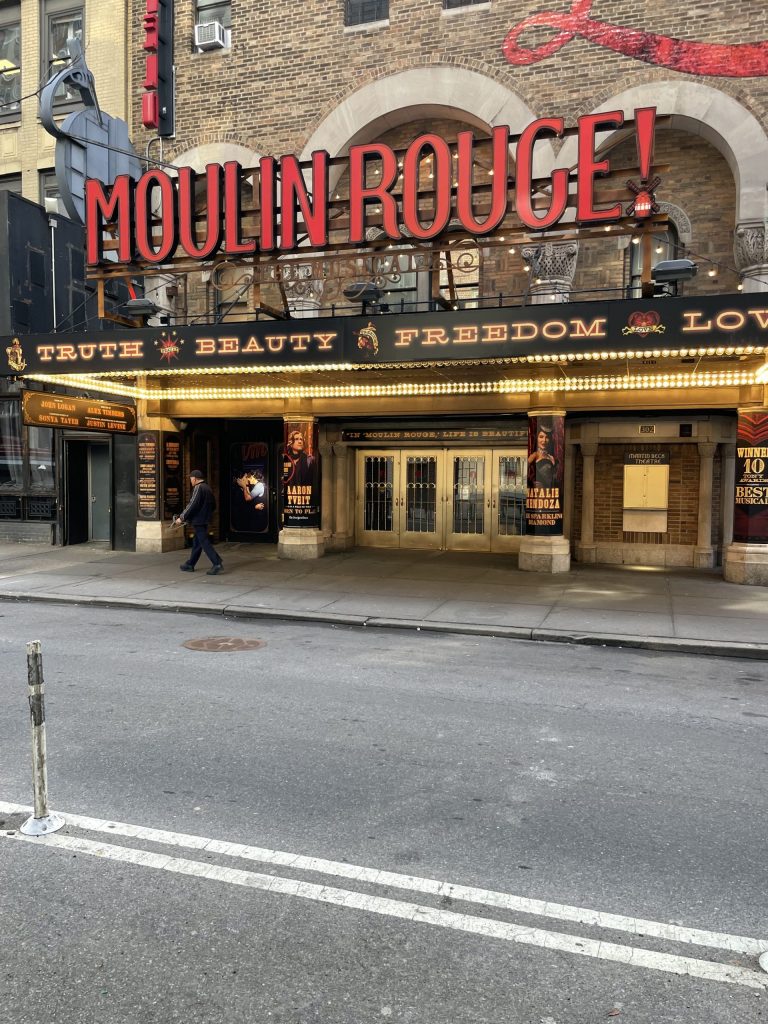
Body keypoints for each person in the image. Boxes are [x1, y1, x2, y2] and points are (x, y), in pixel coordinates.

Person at [176, 470, 223, 575]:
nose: (190, 481)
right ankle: (190, 564)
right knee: (197, 543)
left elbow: (192, 505)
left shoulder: (198, 488)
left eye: (191, 479)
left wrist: (182, 517)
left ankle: (217, 563)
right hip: (205, 519)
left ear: (195, 478)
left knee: (204, 542)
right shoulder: (207, 488)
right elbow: (213, 505)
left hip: (199, 520)